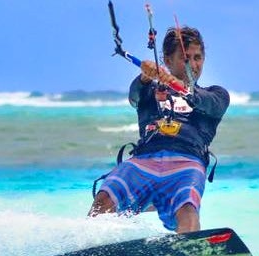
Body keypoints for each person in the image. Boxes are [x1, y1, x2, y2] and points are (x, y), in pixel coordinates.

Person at [88, 26, 229, 233]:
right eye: (185, 58)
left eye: (198, 57)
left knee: (187, 207)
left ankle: (189, 250)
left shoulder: (215, 94)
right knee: (104, 197)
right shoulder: (149, 91)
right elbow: (134, 96)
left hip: (187, 162)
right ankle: (90, 247)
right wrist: (145, 77)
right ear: (168, 60)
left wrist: (180, 85)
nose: (193, 64)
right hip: (143, 160)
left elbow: (211, 104)